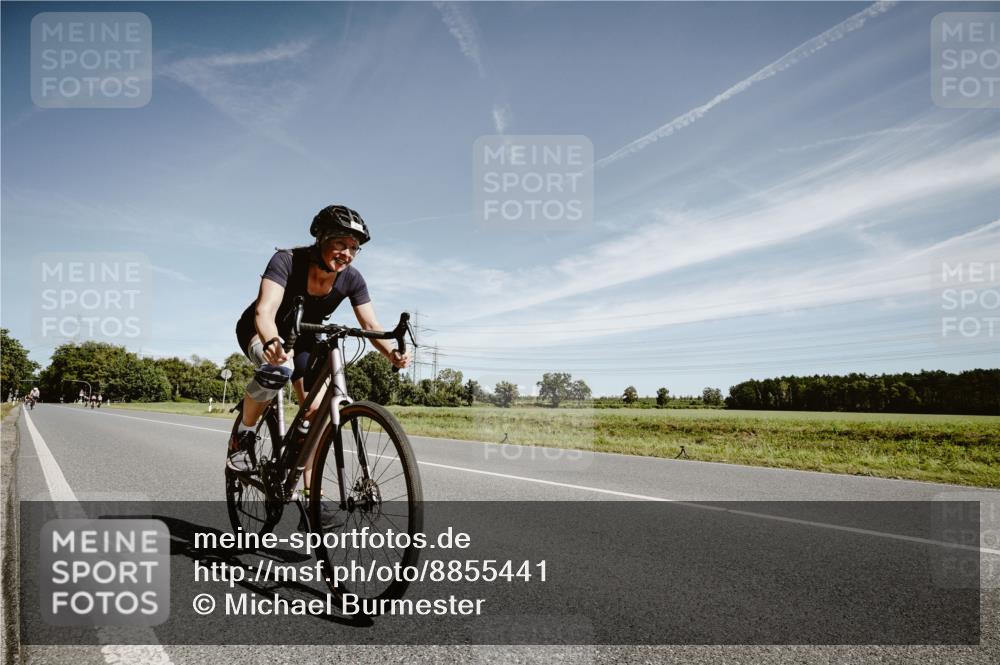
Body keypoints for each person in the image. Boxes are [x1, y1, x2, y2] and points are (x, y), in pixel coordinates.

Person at [228, 205, 410, 475]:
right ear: (321, 238)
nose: (347, 254)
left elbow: (371, 325)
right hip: (261, 330)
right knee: (279, 370)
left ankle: (309, 493)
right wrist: (272, 342)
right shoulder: (287, 261)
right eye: (340, 244)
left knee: (316, 414)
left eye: (354, 248)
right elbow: (264, 310)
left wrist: (391, 353)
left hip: (304, 337)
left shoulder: (352, 279)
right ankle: (244, 435)